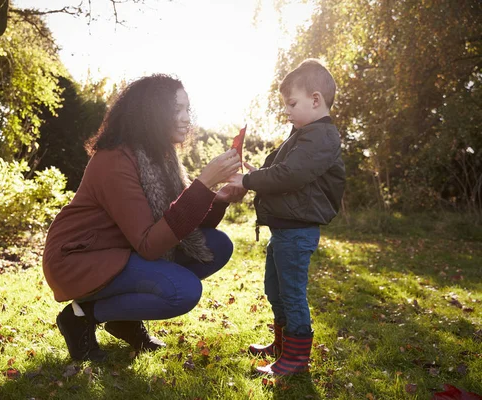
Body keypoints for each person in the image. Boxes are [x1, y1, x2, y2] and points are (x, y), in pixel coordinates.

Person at [42, 74, 244, 362]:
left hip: (122, 250)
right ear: (151, 113)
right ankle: (81, 315)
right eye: (177, 110)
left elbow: (181, 222)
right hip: (79, 258)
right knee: (182, 291)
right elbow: (150, 243)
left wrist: (218, 197)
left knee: (218, 246)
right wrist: (202, 184)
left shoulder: (161, 157)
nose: (187, 118)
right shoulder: (113, 160)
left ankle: (123, 317)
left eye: (188, 109)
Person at [228, 59, 346, 376]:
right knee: (275, 289)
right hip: (284, 230)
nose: (288, 111)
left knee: (292, 294)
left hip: (298, 231)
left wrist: (249, 182)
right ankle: (282, 346)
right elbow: (281, 172)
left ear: (316, 99)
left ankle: (295, 359)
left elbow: (292, 174)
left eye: (292, 103)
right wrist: (259, 174)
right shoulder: (303, 135)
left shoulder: (322, 137)